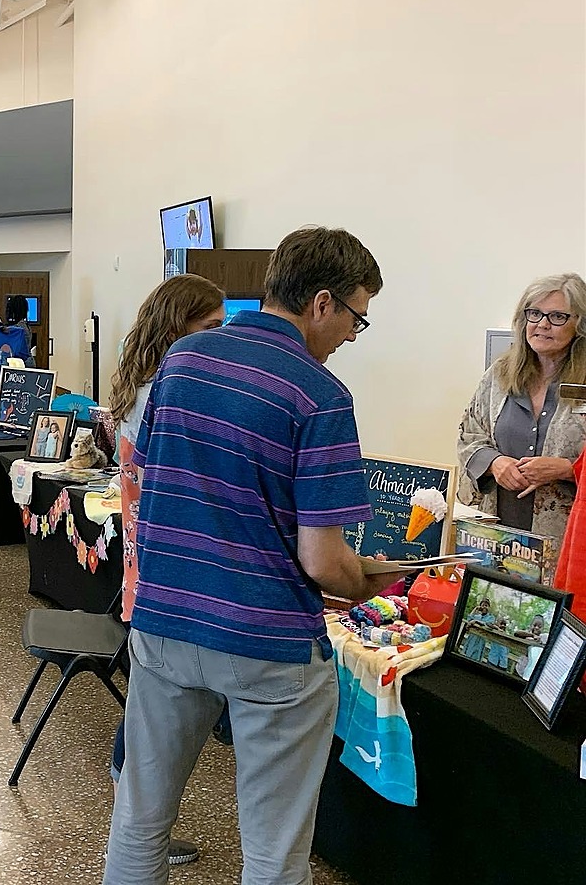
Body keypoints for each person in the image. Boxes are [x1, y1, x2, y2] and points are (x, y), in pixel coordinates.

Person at [103, 226, 393, 885]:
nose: (352, 334)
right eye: (357, 317)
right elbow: (323, 562)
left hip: (167, 623)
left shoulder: (181, 360)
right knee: (273, 850)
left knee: (140, 820)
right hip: (269, 644)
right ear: (322, 302)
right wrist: (369, 582)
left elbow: (147, 472)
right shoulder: (322, 396)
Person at [105, 272, 226, 867]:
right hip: (164, 569)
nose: (220, 339)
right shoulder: (166, 393)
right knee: (153, 724)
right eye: (210, 328)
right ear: (177, 329)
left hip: (142, 562)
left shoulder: (139, 385)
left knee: (144, 709)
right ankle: (139, 819)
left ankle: (134, 808)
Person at [458, 273, 586, 540]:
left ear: (580, 325)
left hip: (570, 539)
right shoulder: (499, 374)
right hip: (498, 531)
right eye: (534, 314)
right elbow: (469, 434)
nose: (542, 324)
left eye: (557, 317)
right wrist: (494, 463)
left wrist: (567, 469)